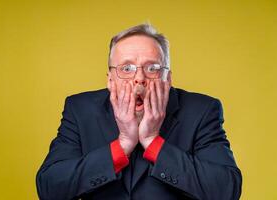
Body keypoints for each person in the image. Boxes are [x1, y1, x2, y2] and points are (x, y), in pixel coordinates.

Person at [36, 23, 242, 200]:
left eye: (152, 68)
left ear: (167, 79)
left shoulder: (202, 111)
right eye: (127, 68)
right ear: (110, 79)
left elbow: (226, 190)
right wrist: (123, 144)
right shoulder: (80, 109)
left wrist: (153, 141)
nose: (139, 78)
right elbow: (50, 188)